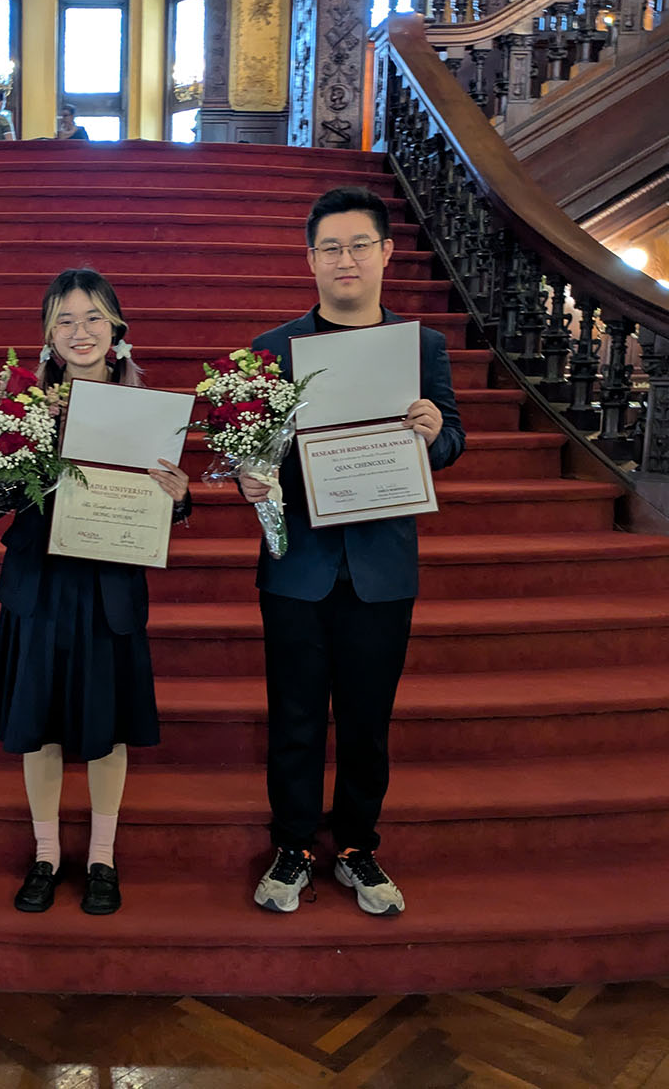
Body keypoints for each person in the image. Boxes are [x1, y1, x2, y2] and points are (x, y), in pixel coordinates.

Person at [243, 187, 463, 918]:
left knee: (368, 720)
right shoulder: (273, 351)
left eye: (359, 245)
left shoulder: (421, 347)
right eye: (331, 247)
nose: (346, 259)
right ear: (310, 259)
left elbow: (453, 438)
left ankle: (357, 845)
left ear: (385, 253)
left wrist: (434, 432)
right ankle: (293, 844)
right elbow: (252, 447)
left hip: (381, 567)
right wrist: (250, 476)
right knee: (294, 717)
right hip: (298, 565)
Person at [0, 268, 190, 916]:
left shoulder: (147, 409)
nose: (80, 331)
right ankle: (46, 854)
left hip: (109, 587)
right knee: (38, 727)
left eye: (93, 317)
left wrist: (178, 497)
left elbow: (159, 504)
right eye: (64, 320)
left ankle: (101, 856)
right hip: (38, 584)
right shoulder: (20, 407)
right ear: (47, 334)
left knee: (107, 729)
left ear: (116, 327)